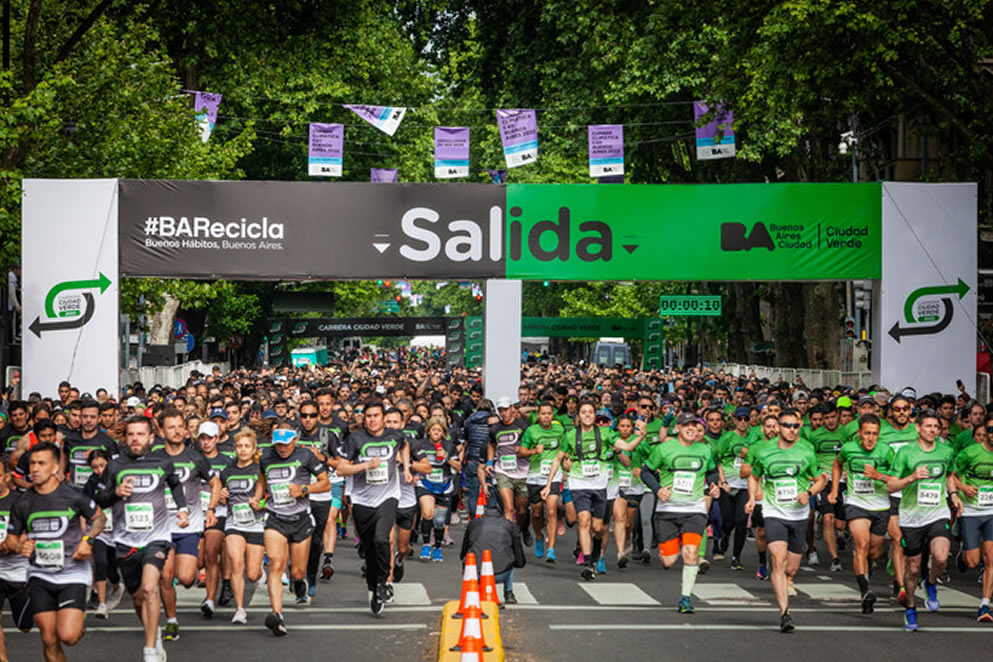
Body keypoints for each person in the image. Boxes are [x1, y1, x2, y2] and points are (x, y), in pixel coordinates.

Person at [95, 416, 189, 662]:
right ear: (126, 438)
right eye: (131, 434)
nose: (135, 439)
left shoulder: (163, 461)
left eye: (140, 434)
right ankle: (153, 632)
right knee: (138, 598)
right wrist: (116, 492)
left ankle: (149, 650)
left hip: (157, 538)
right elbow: (101, 499)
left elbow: (175, 485)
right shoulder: (115, 466)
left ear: (151, 437)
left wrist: (182, 509)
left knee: (150, 588)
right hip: (126, 541)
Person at [8, 442, 106, 662]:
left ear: (54, 467)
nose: (34, 468)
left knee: (68, 637)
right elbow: (11, 540)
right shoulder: (22, 502)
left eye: (41, 463)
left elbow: (99, 517)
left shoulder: (73, 495)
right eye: (32, 463)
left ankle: (76, 621)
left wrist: (87, 540)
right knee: (49, 639)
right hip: (39, 575)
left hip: (72, 573)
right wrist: (19, 546)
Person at [746, 409, 826, 632]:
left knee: (791, 566)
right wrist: (752, 498)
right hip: (774, 512)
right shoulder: (765, 452)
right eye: (787, 425)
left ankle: (787, 579)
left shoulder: (806, 452)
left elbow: (820, 480)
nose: (791, 430)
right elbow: (754, 475)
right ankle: (785, 613)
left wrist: (808, 493)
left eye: (795, 426)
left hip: (799, 514)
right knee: (778, 560)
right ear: (778, 427)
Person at [640, 411, 721, 613]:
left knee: (691, 552)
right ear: (678, 429)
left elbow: (711, 470)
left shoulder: (705, 450)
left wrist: (713, 485)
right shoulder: (665, 448)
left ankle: (685, 598)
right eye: (687, 426)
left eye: (694, 425)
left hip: (695, 509)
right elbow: (645, 471)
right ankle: (672, 545)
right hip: (668, 510)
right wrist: (658, 489)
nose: (691, 429)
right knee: (668, 561)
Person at [887, 409, 960, 632]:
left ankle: (930, 582)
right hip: (911, 516)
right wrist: (912, 477)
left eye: (936, 427)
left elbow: (949, 474)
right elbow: (891, 485)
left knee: (940, 556)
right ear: (918, 428)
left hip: (937, 512)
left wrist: (954, 495)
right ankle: (910, 608)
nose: (932, 430)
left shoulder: (946, 451)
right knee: (912, 567)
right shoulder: (906, 453)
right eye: (928, 426)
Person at [335, 401, 408, 614]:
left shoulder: (395, 435)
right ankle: (375, 584)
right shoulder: (355, 439)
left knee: (381, 539)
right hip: (361, 500)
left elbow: (404, 445)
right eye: (368, 416)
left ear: (383, 417)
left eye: (376, 415)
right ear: (363, 418)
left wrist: (406, 466)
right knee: (369, 549)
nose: (372, 420)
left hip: (388, 496)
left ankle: (385, 582)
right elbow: (340, 469)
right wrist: (365, 465)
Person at [152, 410, 219, 639]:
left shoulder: (196, 457)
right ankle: (171, 621)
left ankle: (191, 578)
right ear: (161, 431)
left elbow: (215, 483)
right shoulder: (154, 457)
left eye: (181, 426)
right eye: (171, 427)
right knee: (165, 576)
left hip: (188, 527)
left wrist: (210, 509)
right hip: (161, 528)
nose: (178, 431)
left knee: (187, 578)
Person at [259, 424, 330, 635]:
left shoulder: (306, 456)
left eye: (285, 445)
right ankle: (277, 615)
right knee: (275, 563)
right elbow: (262, 482)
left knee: (298, 572)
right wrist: (257, 498)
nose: (281, 449)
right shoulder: (266, 457)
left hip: (300, 519)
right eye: (278, 445)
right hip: (275, 518)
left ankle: (300, 583)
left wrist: (304, 489)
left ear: (294, 442)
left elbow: (325, 483)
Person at [541, 400, 616, 581]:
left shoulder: (605, 433)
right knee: (583, 520)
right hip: (579, 483)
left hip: (599, 485)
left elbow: (627, 446)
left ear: (595, 414)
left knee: (598, 528)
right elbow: (557, 460)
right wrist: (548, 484)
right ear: (578, 416)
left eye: (591, 411)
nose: (587, 414)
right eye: (584, 412)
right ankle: (588, 563)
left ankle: (596, 546)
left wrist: (639, 435)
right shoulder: (570, 436)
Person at [830, 414, 894, 613]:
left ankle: (866, 574)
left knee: (874, 552)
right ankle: (865, 591)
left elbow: (898, 477)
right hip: (856, 503)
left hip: (881, 505)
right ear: (859, 433)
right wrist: (834, 490)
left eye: (874, 434)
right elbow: (837, 464)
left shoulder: (887, 451)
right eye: (866, 433)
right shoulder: (849, 448)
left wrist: (879, 476)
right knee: (861, 545)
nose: (870, 438)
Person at [220, 428, 266, 624]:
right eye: (239, 446)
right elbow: (222, 497)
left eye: (247, 446)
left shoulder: (259, 470)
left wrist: (259, 504)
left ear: (254, 448)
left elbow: (268, 498)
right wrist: (222, 498)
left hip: (255, 524)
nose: (243, 450)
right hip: (234, 523)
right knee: (236, 564)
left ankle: (260, 573)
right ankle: (240, 609)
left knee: (252, 573)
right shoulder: (227, 471)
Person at [519, 402, 565, 563]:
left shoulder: (559, 430)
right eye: (543, 413)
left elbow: (565, 450)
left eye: (549, 413)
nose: (546, 416)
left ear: (553, 415)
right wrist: (533, 451)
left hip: (553, 477)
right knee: (537, 513)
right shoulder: (531, 431)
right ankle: (539, 536)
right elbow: (520, 452)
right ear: (538, 416)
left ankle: (551, 549)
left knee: (551, 510)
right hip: (535, 476)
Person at [81, 449, 124, 619]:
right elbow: (83, 508)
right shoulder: (91, 483)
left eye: (102, 465)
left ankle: (116, 586)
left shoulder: (118, 477)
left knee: (112, 570)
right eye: (94, 467)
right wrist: (85, 533)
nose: (99, 470)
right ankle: (102, 604)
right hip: (99, 531)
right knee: (100, 563)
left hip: (117, 530)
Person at [460, 500, 526, 606]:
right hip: (501, 574)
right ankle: (508, 592)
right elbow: (518, 551)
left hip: (475, 574)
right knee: (510, 558)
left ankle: (471, 590)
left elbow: (464, 549)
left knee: (470, 558)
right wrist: (519, 563)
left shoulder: (474, 523)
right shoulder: (509, 525)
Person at [415, 417, 461, 563]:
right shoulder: (421, 445)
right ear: (428, 431)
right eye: (433, 430)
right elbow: (413, 462)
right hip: (425, 483)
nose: (436, 433)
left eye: (439, 430)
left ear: (443, 432)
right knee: (428, 513)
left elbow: (458, 467)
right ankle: (426, 545)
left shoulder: (449, 446)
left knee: (440, 521)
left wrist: (446, 457)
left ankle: (437, 548)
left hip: (444, 485)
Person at [0, 459, 31, 661]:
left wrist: (15, 544)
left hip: (20, 572)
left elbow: (33, 533)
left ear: (5, 476)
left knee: (25, 626)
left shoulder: (20, 502)